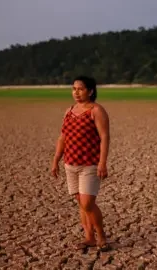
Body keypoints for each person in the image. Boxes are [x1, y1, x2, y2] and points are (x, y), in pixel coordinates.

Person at [51, 75, 111, 252]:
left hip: (89, 164)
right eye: (74, 89)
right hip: (70, 164)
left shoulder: (96, 110)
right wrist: (56, 160)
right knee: (81, 203)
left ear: (90, 91)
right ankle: (89, 237)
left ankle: (101, 236)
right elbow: (62, 137)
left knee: (87, 203)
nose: (76, 92)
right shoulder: (69, 111)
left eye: (80, 89)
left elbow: (104, 137)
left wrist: (102, 163)